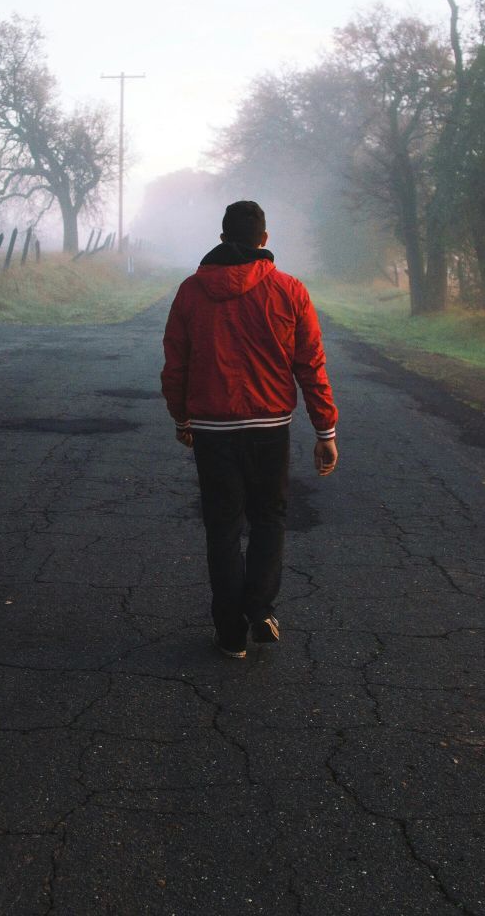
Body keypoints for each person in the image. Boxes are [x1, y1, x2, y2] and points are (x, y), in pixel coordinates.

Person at [160, 200, 340, 659]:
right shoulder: (290, 290)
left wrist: (182, 419)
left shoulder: (189, 292)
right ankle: (259, 609)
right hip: (269, 427)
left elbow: (175, 365)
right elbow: (310, 364)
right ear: (264, 240)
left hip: (211, 428)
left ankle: (230, 632)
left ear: (222, 239)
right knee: (268, 518)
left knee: (222, 527)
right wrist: (326, 430)